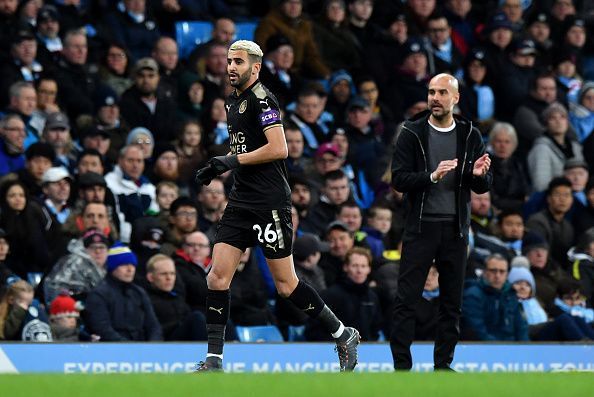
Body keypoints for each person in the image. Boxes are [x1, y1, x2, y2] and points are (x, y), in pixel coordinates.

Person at [193, 40, 359, 372]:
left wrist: (228, 160)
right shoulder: (233, 100)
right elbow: (247, 149)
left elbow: (279, 148)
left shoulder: (262, 98)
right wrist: (225, 165)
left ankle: (343, 334)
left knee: (286, 286)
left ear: (255, 67)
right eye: (228, 60)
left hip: (270, 203)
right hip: (241, 200)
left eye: (238, 61)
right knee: (217, 277)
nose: (230, 66)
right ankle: (214, 360)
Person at [390, 73, 492, 371]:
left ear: (455, 99)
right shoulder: (411, 132)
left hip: (455, 228)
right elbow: (399, 179)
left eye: (442, 93)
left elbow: (483, 185)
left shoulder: (470, 134)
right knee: (406, 300)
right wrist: (431, 176)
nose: (435, 97)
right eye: (431, 92)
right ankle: (401, 368)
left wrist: (479, 176)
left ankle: (443, 366)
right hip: (421, 227)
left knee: (451, 303)